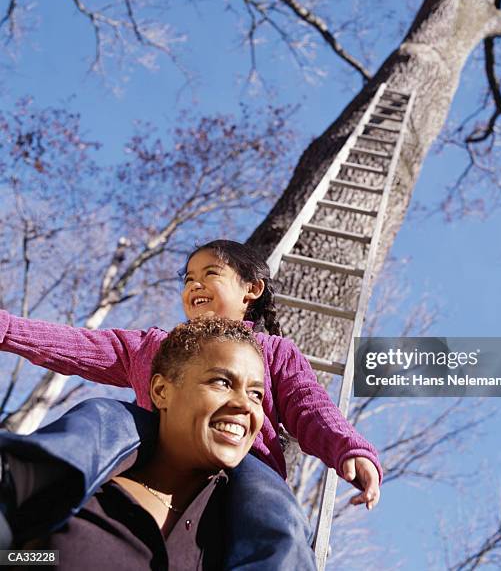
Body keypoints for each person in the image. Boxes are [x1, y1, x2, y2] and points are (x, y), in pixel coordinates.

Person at [0, 240, 381, 560]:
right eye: (188, 279)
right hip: (156, 442)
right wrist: (7, 329)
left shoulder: (273, 351)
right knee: (105, 415)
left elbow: (309, 405)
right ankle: (21, 484)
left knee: (274, 507)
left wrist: (348, 448)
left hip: (243, 458)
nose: (194, 285)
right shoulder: (152, 346)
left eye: (210, 274)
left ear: (252, 289)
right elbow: (78, 346)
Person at [3, 317, 316, 569]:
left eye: (256, 394)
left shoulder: (250, 536)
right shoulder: (74, 487)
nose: (246, 405)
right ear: (161, 391)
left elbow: (312, 405)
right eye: (222, 381)